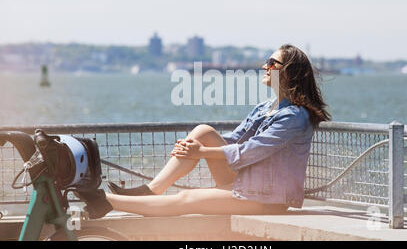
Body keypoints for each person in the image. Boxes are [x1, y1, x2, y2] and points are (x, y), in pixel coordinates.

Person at [76, 44, 331, 219]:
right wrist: (195, 148)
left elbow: (251, 151)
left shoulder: (294, 116)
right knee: (203, 130)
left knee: (188, 198)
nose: (265, 66)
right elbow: (235, 139)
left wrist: (202, 152)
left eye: (271, 62)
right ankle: (151, 190)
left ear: (287, 72)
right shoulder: (267, 107)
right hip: (249, 183)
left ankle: (105, 201)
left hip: (268, 198)